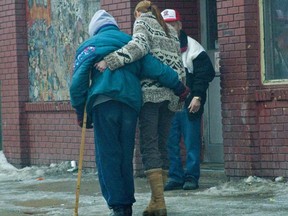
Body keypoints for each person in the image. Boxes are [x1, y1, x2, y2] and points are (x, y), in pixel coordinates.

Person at [69, 10, 189, 216]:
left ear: (94, 29)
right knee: (125, 155)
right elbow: (156, 68)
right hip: (131, 105)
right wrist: (178, 86)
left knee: (108, 156)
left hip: (103, 103)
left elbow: (77, 83)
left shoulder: (90, 46)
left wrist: (80, 110)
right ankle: (127, 204)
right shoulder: (130, 42)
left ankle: (118, 206)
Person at [160, 9, 215, 191]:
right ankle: (175, 176)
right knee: (170, 143)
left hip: (189, 103)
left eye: (173, 24)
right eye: (166, 25)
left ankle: (191, 176)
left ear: (180, 25)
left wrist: (197, 96)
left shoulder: (193, 47)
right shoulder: (159, 48)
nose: (170, 28)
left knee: (192, 143)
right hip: (168, 105)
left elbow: (205, 73)